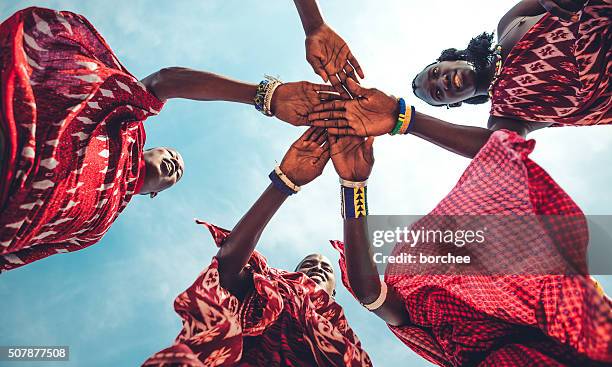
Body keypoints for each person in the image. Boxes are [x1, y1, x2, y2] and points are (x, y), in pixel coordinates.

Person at [0, 0, 362, 272]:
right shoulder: (125, 128)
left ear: (155, 192)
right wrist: (269, 96)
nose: (175, 163)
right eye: (171, 154)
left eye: (178, 172)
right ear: (148, 148)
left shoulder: (97, 228)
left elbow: (26, 248)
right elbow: (164, 82)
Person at [324, 133, 611, 366]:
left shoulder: (550, 291)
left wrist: (405, 118)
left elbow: (500, 152)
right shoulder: (430, 309)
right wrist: (353, 187)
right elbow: (369, 293)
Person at [142, 128, 372, 367]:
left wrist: (354, 184)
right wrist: (285, 182)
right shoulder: (268, 291)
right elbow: (227, 266)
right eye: (308, 264)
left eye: (326, 267)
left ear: (334, 292)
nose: (319, 268)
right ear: (292, 275)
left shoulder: (341, 332)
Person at [308, 0, 610, 158]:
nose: (440, 83)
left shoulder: (508, 24)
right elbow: (496, 149)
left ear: (451, 57)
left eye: (436, 73)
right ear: (458, 102)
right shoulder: (507, 115)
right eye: (438, 94)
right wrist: (403, 119)